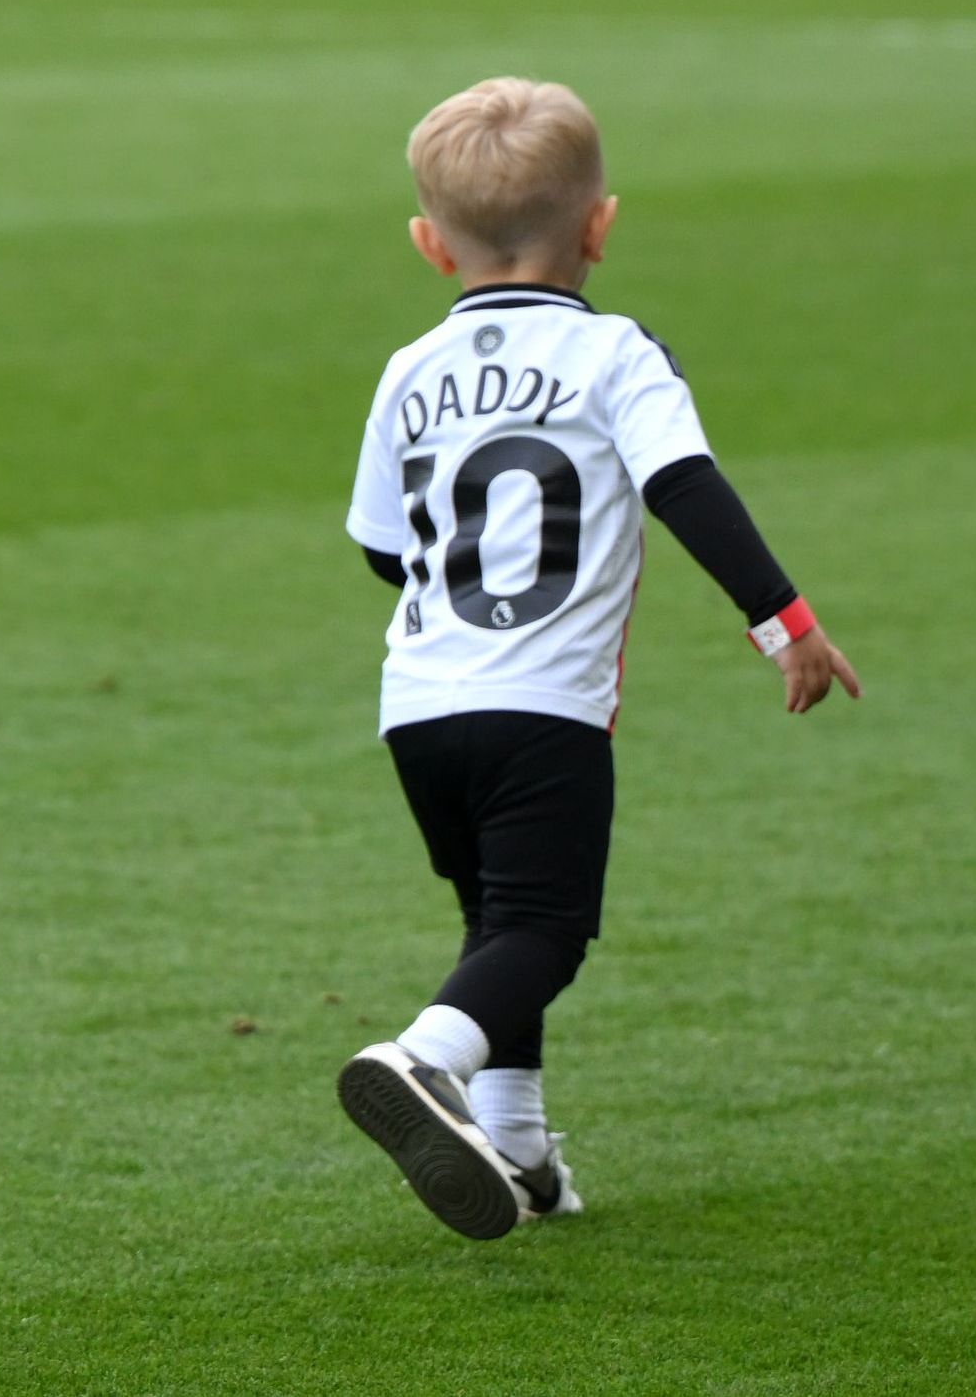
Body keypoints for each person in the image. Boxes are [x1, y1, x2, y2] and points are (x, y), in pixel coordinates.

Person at [337, 79, 858, 1240]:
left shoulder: (408, 367)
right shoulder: (617, 353)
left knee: (495, 918)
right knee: (542, 931)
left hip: (416, 703)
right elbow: (684, 486)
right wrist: (783, 619)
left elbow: (382, 548)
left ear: (429, 244)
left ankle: (519, 1148)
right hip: (543, 707)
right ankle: (423, 1058)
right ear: (600, 225)